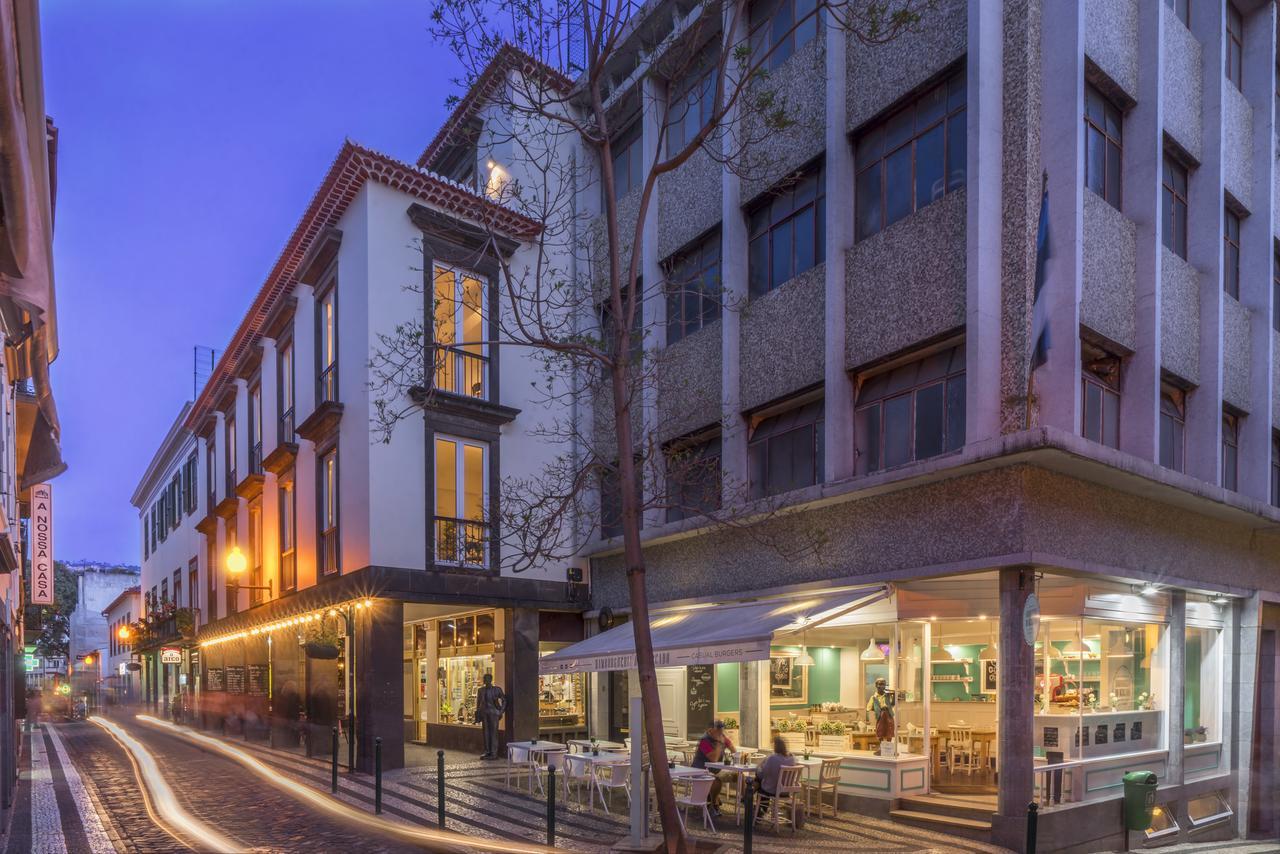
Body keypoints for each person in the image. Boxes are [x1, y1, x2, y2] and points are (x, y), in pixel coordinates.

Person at [690, 720, 735, 814]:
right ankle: (714, 803)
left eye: (721, 730)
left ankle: (746, 801)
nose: (720, 732)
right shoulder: (704, 741)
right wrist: (719, 743)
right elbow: (714, 759)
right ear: (710, 730)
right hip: (700, 770)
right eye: (718, 730)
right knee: (716, 781)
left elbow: (734, 751)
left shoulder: (722, 737)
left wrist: (728, 742)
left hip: (715, 770)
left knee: (738, 776)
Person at [754, 736, 798, 821]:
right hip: (786, 791)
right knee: (761, 783)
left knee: (758, 782)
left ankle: (759, 809)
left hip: (772, 790)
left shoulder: (772, 758)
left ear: (775, 747)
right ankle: (760, 809)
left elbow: (762, 774)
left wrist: (760, 765)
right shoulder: (792, 758)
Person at [474, 673, 507, 760]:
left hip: (494, 713)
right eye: (484, 679)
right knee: (486, 733)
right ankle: (487, 751)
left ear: (490, 680)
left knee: (493, 733)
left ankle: (494, 752)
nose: (485, 680)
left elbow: (504, 700)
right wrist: (478, 714)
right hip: (485, 714)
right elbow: (478, 703)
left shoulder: (497, 689)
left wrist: (501, 711)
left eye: (486, 679)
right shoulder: (481, 690)